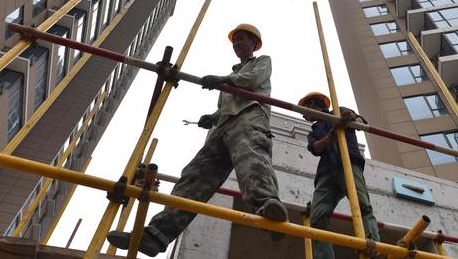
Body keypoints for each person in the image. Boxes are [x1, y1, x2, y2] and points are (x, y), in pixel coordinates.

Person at [108, 24, 287, 257]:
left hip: (249, 117)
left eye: (241, 39)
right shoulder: (234, 75)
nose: (236, 44)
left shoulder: (261, 62)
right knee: (194, 176)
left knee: (251, 159)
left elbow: (251, 81)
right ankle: (156, 235)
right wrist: (212, 117)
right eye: (234, 41)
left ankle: (267, 207)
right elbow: (227, 105)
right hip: (223, 126)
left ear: (254, 43)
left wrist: (223, 80)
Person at [298, 92, 380, 259]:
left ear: (313, 104)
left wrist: (350, 118)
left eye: (304, 109)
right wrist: (329, 139)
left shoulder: (338, 110)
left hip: (348, 162)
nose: (303, 114)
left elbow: (361, 122)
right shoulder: (314, 130)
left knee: (361, 204)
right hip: (326, 171)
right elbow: (314, 148)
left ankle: (372, 247)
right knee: (317, 215)